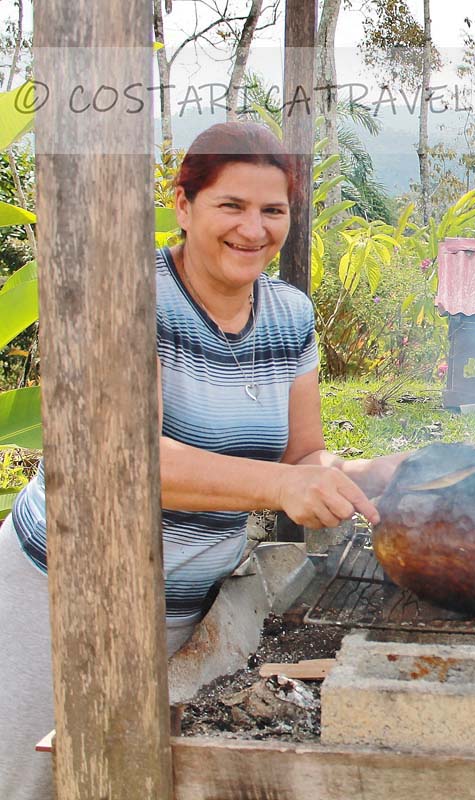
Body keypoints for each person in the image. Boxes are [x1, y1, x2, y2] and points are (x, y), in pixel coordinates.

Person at [0, 122, 406, 800]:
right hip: (63, 598)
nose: (254, 229)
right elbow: (123, 462)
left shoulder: (288, 314)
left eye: (272, 210)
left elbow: (300, 453)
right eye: (231, 206)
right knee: (30, 781)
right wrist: (283, 485)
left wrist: (359, 474)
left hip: (187, 609)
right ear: (184, 206)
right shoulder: (130, 294)